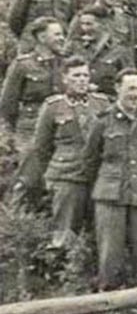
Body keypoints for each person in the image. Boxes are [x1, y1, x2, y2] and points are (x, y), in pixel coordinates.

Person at [82, 69, 137, 290]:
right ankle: (109, 305)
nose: (136, 94)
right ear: (117, 88)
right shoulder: (102, 122)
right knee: (110, 256)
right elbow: (90, 161)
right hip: (110, 195)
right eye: (131, 88)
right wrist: (105, 185)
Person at [20, 58, 110, 250]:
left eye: (85, 75)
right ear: (65, 79)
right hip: (66, 176)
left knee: (98, 231)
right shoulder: (53, 106)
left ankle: (88, 273)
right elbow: (41, 147)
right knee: (65, 233)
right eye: (76, 75)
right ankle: (64, 272)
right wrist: (54, 175)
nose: (82, 80)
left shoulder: (102, 104)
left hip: (97, 177)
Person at [0, 17, 68, 153]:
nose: (62, 38)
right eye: (57, 34)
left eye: (62, 34)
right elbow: (8, 103)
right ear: (42, 38)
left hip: (61, 127)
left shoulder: (66, 63)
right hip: (30, 128)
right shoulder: (23, 65)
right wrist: (15, 131)